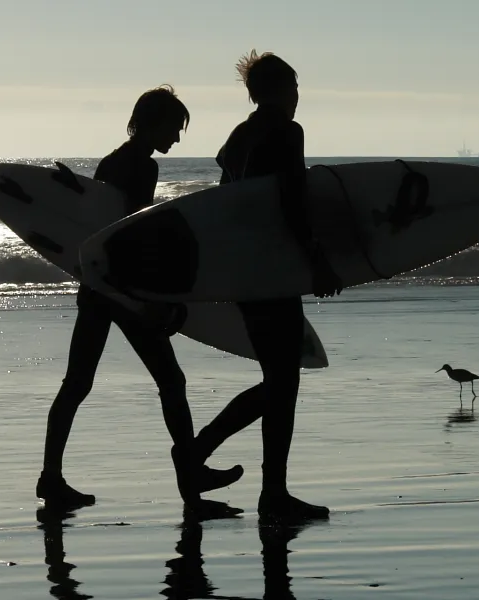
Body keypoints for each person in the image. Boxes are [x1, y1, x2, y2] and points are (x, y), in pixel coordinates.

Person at [36, 86, 243, 512]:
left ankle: (50, 478)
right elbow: (130, 238)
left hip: (98, 287)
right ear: (152, 121)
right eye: (174, 127)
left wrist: (70, 191)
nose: (178, 138)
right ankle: (190, 475)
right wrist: (150, 300)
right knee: (170, 380)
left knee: (77, 384)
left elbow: (100, 224)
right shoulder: (140, 167)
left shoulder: (114, 160)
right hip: (122, 291)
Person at [189, 50, 342, 521]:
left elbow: (226, 204)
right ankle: (215, 460)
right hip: (273, 269)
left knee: (279, 380)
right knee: (282, 381)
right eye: (294, 89)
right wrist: (316, 261)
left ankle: (262, 484)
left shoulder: (240, 136)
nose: (298, 99)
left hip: (244, 269)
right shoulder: (285, 131)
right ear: (279, 91)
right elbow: (291, 201)